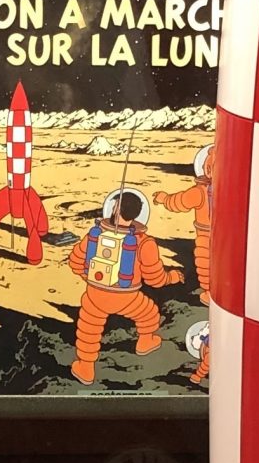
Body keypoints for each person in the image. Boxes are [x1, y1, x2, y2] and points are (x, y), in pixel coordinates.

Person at [66, 186, 172, 383]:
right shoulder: (144, 242)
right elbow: (155, 278)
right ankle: (145, 342)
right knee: (148, 313)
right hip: (127, 297)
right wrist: (171, 277)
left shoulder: (95, 235)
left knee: (89, 329)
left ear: (113, 208)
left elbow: (75, 261)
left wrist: (90, 277)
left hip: (95, 294)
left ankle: (85, 367)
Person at [157, 142, 213, 383]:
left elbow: (178, 201)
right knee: (210, 266)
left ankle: (209, 291)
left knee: (205, 265)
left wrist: (163, 199)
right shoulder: (215, 190)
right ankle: (211, 291)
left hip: (208, 236)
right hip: (223, 236)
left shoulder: (199, 192)